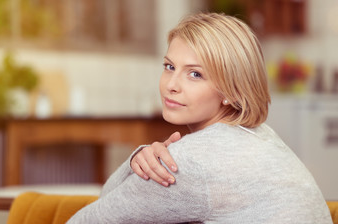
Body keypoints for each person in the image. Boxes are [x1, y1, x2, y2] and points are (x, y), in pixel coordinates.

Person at [68, 12, 332, 223]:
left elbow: (89, 219)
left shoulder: (187, 163)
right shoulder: (262, 135)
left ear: (231, 90)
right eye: (169, 67)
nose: (171, 84)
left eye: (195, 74)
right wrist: (138, 158)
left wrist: (139, 164)